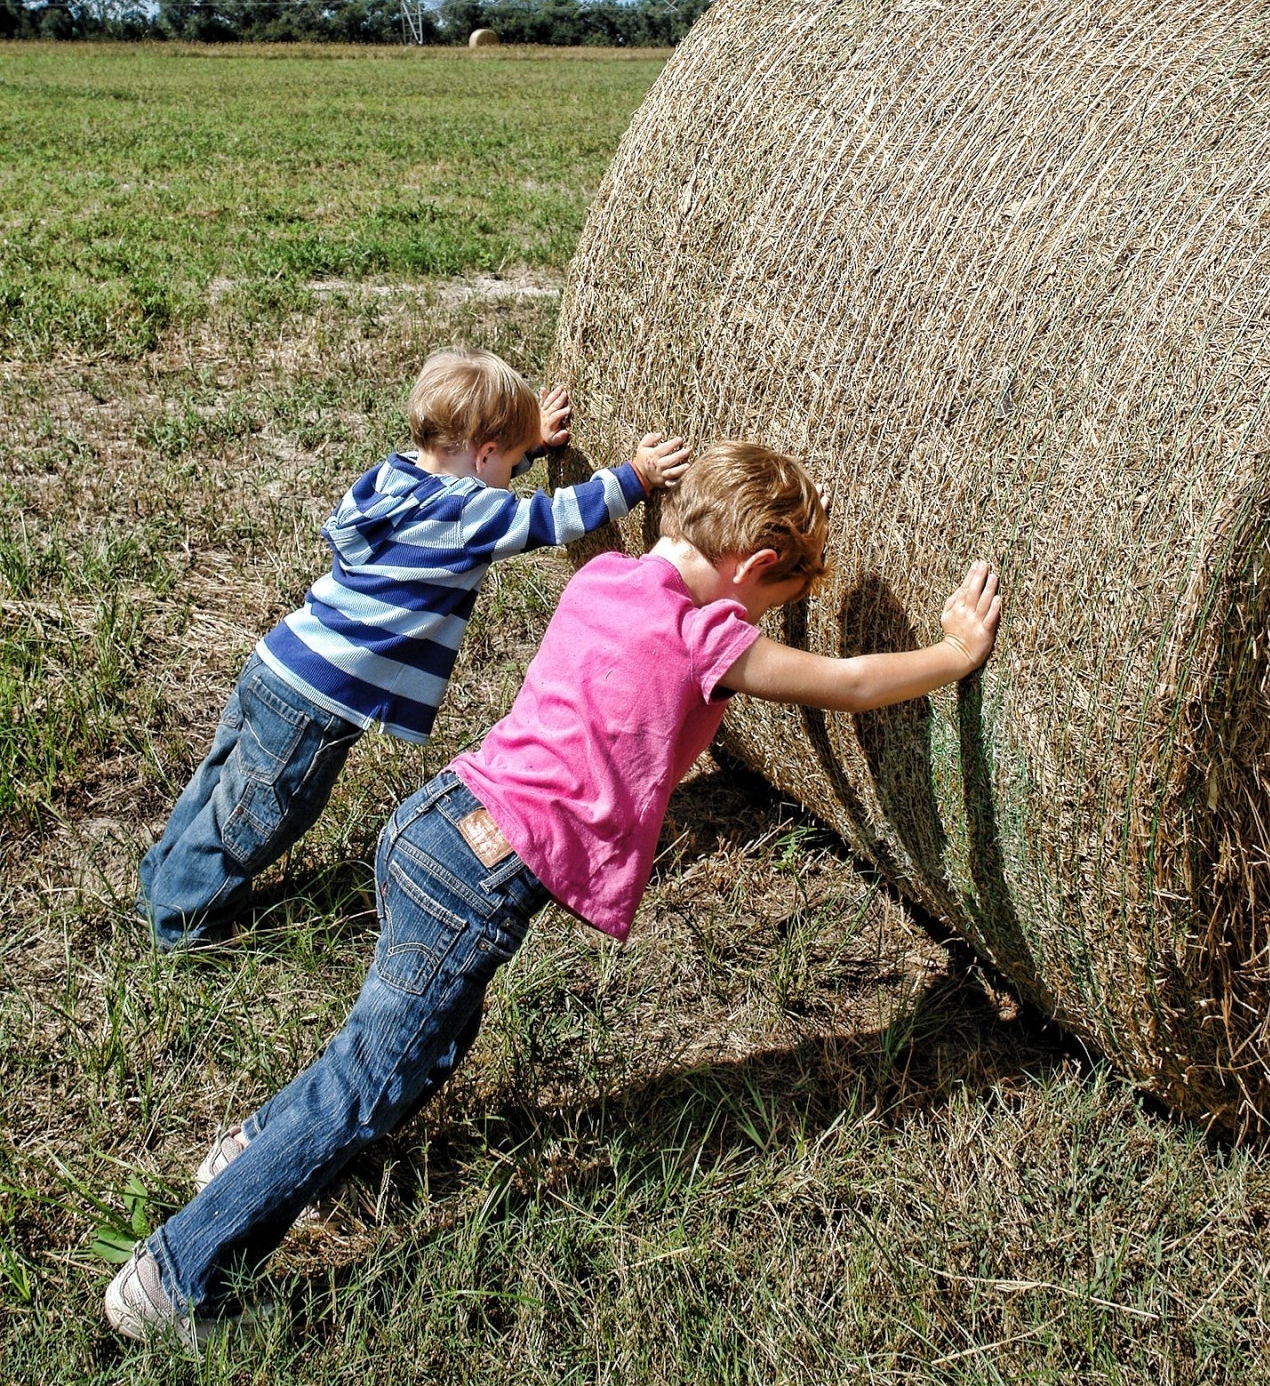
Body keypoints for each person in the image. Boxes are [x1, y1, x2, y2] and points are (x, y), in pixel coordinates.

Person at [106, 442, 1001, 1347]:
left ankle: (255, 1148)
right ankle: (174, 1275)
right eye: (776, 604)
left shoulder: (607, 576)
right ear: (757, 567)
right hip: (478, 879)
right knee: (368, 1081)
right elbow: (847, 687)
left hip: (435, 825)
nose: (767, 624)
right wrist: (953, 652)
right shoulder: (704, 637)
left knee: (421, 1052)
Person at [137, 347, 688, 951]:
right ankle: (185, 924)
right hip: (319, 698)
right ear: (482, 455)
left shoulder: (394, 476)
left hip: (280, 660)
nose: (511, 477)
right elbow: (552, 518)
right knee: (259, 814)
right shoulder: (467, 512)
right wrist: (634, 476)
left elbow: (471, 491)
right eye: (506, 462)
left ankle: (162, 878)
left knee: (218, 783)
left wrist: (525, 447)